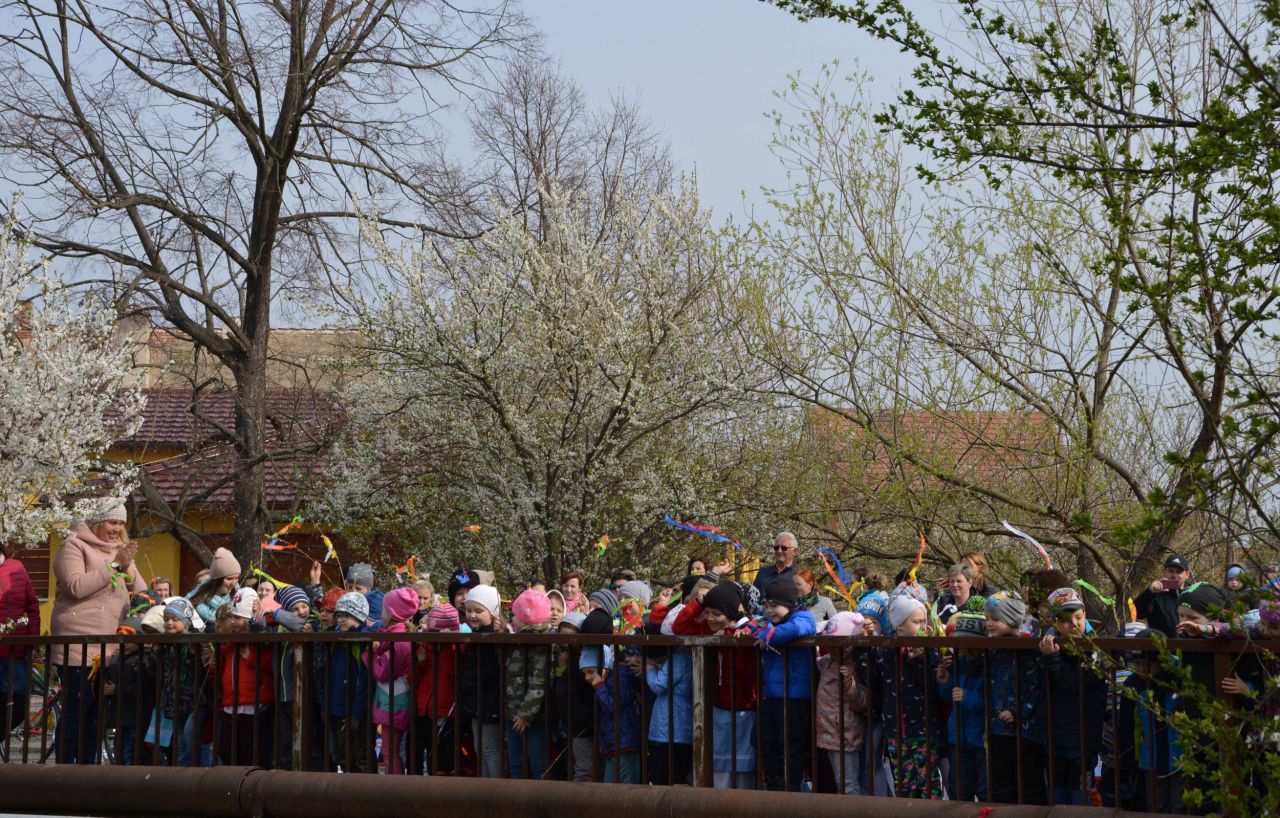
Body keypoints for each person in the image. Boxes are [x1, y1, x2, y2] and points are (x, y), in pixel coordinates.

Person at [50, 504, 146, 764]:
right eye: (112, 522)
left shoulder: (119, 552)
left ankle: (88, 769)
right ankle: (65, 770)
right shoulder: (73, 546)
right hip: (78, 645)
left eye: (121, 523)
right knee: (76, 710)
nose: (117, 529)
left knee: (97, 714)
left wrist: (127, 568)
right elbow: (75, 586)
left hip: (110, 645)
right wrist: (115, 565)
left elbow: (141, 594)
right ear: (96, 522)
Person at [673, 580, 758, 789]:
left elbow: (749, 664)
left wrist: (729, 636)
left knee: (742, 766)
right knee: (718, 765)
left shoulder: (747, 629)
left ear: (730, 614)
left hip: (743, 708)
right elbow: (679, 627)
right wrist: (698, 604)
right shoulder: (707, 629)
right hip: (717, 706)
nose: (710, 618)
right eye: (708, 612)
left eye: (717, 614)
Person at [871, 594, 944, 799]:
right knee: (904, 784)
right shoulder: (885, 650)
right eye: (917, 621)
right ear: (900, 626)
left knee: (928, 783)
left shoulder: (928, 650)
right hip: (896, 732)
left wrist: (918, 660)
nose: (923, 626)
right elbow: (873, 680)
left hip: (923, 730)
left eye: (924, 621)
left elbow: (931, 685)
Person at [1037, 588, 1106, 805]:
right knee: (1056, 792)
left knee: (1080, 792)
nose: (1074, 624)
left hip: (1083, 734)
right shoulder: (1048, 645)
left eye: (1078, 617)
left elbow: (1076, 684)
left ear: (1085, 615)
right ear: (1055, 622)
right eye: (1065, 620)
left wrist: (1053, 659)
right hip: (1054, 733)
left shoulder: (1096, 649)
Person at [748, 574, 816, 792]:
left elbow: (796, 629)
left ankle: (791, 789)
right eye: (766, 605)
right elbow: (755, 628)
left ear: (790, 603)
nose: (769, 610)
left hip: (794, 697)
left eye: (774, 605)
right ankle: (775, 783)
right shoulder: (770, 624)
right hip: (772, 695)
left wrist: (767, 636)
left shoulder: (803, 617)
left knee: (790, 745)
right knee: (763, 741)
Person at [983, 592, 1044, 804]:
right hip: (997, 726)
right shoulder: (993, 648)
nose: (989, 624)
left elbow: (1035, 686)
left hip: (1024, 730)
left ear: (1010, 619)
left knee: (1027, 781)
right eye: (987, 619)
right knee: (1000, 782)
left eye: (995, 619)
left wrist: (1018, 711)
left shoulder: (1026, 649)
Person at [215, 588, 274, 766]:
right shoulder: (230, 642)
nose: (233, 621)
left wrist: (252, 658)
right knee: (225, 750)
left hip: (253, 705)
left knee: (249, 753)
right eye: (232, 617)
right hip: (231, 704)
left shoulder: (260, 640)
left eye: (238, 618)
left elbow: (270, 665)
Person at [936, 612, 988, 801]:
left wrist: (968, 697)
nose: (960, 646)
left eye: (965, 642)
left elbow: (992, 700)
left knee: (985, 790)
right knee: (959, 789)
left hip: (981, 740)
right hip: (958, 737)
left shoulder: (988, 664)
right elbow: (950, 697)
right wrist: (944, 681)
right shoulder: (959, 662)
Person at [815, 611, 867, 795]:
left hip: (844, 734)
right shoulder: (829, 661)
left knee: (847, 784)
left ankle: (851, 809)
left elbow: (862, 702)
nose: (829, 647)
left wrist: (849, 683)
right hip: (830, 731)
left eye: (834, 643)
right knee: (840, 782)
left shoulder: (855, 665)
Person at [319, 592, 372, 773]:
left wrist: (357, 712)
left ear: (358, 616)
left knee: (361, 756)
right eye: (339, 615)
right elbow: (328, 675)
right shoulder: (335, 640)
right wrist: (325, 705)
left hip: (356, 709)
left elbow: (364, 681)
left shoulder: (362, 641)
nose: (340, 620)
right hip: (337, 707)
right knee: (342, 755)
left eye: (346, 616)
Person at [369, 586, 417, 774]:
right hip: (393, 700)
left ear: (392, 613)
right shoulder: (396, 636)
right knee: (391, 751)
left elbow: (384, 673)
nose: (381, 612)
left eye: (384, 609)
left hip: (395, 701)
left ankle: (395, 787)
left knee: (390, 752)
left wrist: (371, 654)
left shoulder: (398, 641)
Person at [505, 589, 552, 780]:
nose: (512, 619)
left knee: (538, 765)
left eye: (515, 615)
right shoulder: (517, 638)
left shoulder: (541, 643)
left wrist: (525, 714)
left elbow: (539, 681)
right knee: (516, 763)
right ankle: (518, 798)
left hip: (533, 716)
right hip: (513, 710)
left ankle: (542, 798)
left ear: (525, 618)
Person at [459, 584, 505, 778]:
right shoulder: (476, 635)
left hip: (490, 702)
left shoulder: (492, 637)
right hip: (478, 702)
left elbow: (489, 671)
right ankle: (485, 787)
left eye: (478, 611)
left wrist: (466, 683)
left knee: (490, 749)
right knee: (480, 748)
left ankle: (494, 789)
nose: (472, 615)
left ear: (492, 613)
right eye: (469, 610)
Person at [0, 542, 41, 736]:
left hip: (16, 652)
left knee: (18, 705)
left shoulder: (16, 567)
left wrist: (33, 641)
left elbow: (32, 606)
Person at [415, 602, 460, 775]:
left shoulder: (456, 650)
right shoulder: (426, 649)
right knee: (429, 753)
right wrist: (420, 663)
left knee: (445, 757)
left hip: (445, 711)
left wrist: (448, 646)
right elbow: (412, 680)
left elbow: (455, 671)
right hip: (426, 709)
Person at [101, 618, 152, 765]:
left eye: (129, 640)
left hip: (136, 719)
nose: (125, 643)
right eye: (122, 639)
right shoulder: (117, 659)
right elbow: (110, 680)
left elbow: (143, 688)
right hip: (121, 718)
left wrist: (116, 690)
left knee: (130, 755)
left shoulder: (143, 660)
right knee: (120, 754)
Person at [1133, 554, 1192, 637]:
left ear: (1187, 575)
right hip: (1161, 643)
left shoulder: (1193, 596)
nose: (1174, 575)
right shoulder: (1155, 595)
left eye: (1179, 572)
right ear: (1165, 572)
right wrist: (1149, 592)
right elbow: (1136, 612)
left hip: (1189, 644)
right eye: (1171, 571)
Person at [188, 548, 241, 624]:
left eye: (236, 578)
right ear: (217, 580)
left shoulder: (239, 594)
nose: (233, 583)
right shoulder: (194, 602)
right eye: (229, 579)